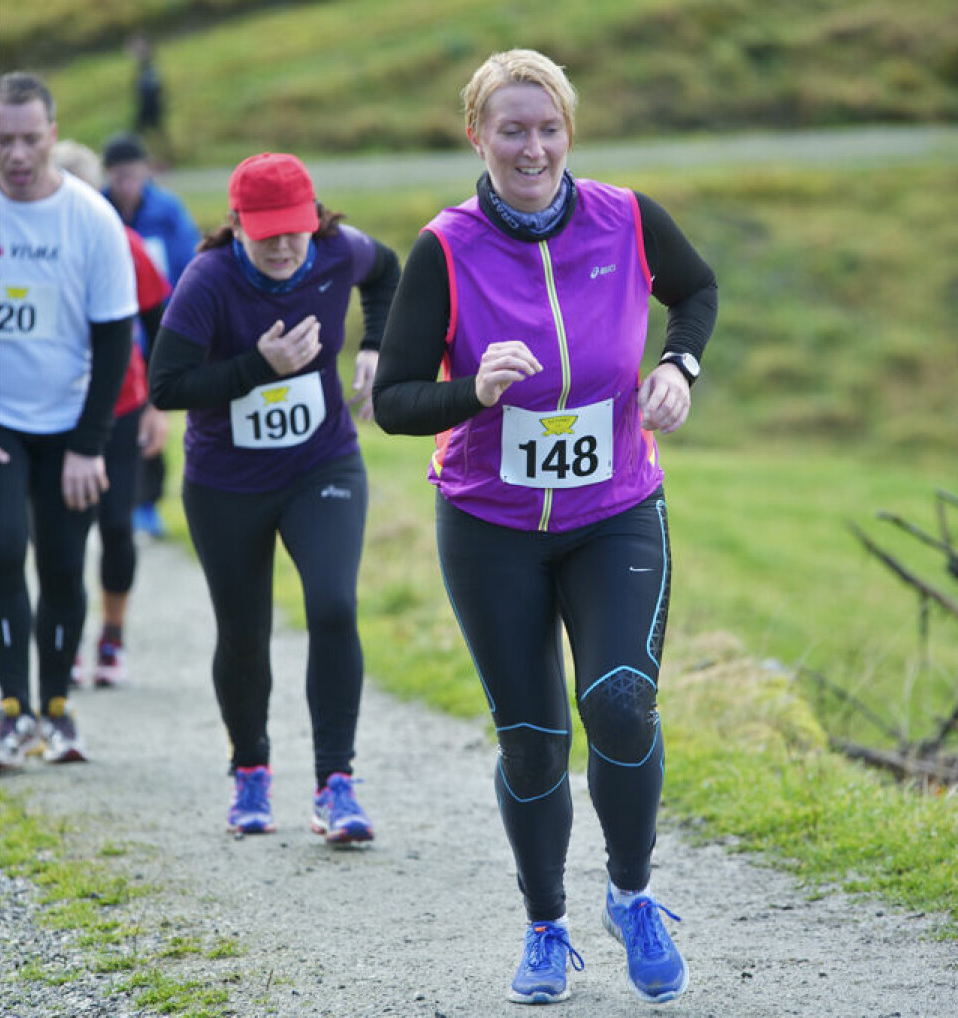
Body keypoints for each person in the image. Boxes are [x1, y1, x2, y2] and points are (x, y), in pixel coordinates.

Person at [373, 50, 717, 1005]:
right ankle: (545, 925)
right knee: (532, 739)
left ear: (570, 132)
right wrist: (468, 391)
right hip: (490, 526)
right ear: (477, 136)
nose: (533, 147)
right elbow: (394, 403)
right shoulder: (445, 248)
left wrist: (679, 368)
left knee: (617, 702)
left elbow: (696, 291)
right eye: (512, 129)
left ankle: (632, 893)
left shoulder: (627, 217)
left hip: (615, 511)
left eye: (548, 127)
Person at [148, 151, 400, 842]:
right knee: (244, 630)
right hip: (226, 484)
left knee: (334, 604)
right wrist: (261, 367)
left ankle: (335, 784)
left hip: (322, 463)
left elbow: (387, 272)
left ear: (313, 219)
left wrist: (376, 347)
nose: (285, 245)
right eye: (267, 233)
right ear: (237, 226)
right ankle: (250, 770)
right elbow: (165, 387)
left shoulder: (335, 251)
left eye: (295, 228)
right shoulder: (207, 281)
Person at [0, 73, 136, 769]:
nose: (16, 154)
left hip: (71, 421)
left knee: (59, 566)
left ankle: (56, 709)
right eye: (2, 141)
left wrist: (90, 445)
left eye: (29, 138)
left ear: (52, 134)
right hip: (0, 420)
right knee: (0, 546)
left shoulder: (90, 218)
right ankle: (9, 708)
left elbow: (115, 337)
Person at [53, 140, 173, 688]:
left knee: (118, 527)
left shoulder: (122, 243)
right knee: (62, 536)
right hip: (54, 414)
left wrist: (154, 404)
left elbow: (161, 325)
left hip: (122, 405)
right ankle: (68, 638)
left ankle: (112, 637)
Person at [102, 130, 200, 537]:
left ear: (146, 172)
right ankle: (110, 496)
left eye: (134, 174)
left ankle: (148, 503)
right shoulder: (98, 211)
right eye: (119, 176)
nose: (127, 184)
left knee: (154, 420)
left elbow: (188, 268)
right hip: (114, 337)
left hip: (160, 329)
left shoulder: (168, 212)